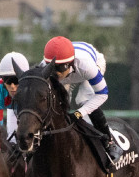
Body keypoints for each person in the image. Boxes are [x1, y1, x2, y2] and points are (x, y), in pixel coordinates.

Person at [40, 36, 124, 164]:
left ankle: (108, 142)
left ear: (70, 63)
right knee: (60, 102)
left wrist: (79, 113)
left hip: (93, 63)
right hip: (71, 70)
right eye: (52, 68)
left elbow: (102, 94)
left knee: (84, 98)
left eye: (60, 68)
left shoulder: (86, 66)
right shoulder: (44, 67)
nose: (55, 74)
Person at [0, 52, 29, 139]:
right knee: (12, 140)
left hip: (27, 111)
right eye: (7, 80)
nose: (12, 86)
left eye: (16, 80)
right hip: (12, 110)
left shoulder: (30, 89)